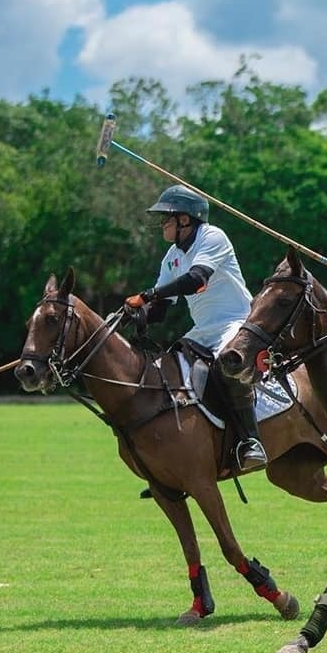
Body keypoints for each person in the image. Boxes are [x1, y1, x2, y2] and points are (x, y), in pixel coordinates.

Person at [125, 185, 267, 472]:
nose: (163, 223)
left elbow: (196, 279)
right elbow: (162, 309)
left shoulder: (212, 237)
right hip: (202, 329)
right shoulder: (171, 256)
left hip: (237, 321)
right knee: (170, 369)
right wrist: (134, 316)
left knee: (228, 364)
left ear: (185, 220)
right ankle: (178, 461)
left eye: (168, 217)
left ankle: (251, 442)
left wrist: (149, 294)